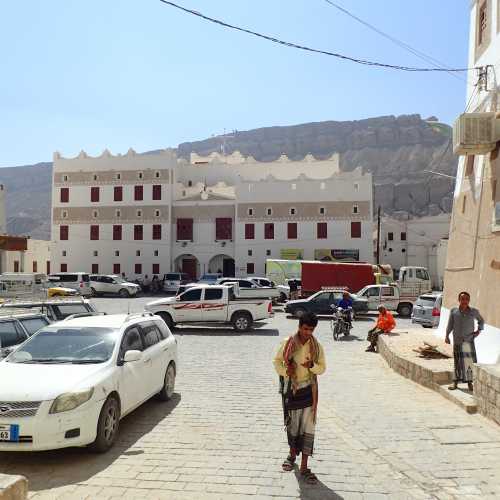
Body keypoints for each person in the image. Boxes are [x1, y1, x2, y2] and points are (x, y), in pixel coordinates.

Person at [273, 312, 326, 485]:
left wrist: (312, 365)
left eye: (311, 330)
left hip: (309, 391)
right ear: (299, 327)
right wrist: (285, 371)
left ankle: (304, 466)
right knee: (293, 426)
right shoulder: (287, 343)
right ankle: (291, 455)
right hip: (292, 391)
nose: (307, 333)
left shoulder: (317, 347)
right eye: (305, 329)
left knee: (308, 428)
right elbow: (277, 362)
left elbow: (322, 368)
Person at [446, 291, 484, 392]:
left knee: (468, 363)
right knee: (457, 361)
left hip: (468, 340)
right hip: (457, 340)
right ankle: (455, 382)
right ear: (459, 300)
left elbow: (481, 320)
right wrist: (447, 335)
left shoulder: (473, 311)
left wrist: (479, 331)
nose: (464, 301)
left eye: (467, 299)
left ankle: (469, 383)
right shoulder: (454, 311)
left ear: (469, 300)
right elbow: (450, 324)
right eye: (462, 299)